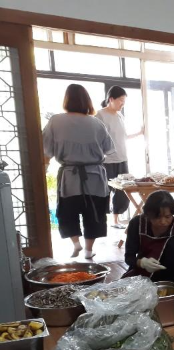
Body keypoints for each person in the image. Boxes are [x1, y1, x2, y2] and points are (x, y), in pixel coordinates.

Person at [43, 84, 114, 259]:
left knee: (68, 211)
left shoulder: (55, 121)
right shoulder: (97, 123)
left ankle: (76, 244)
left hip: (70, 176)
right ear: (87, 101)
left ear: (66, 100)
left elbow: (45, 151)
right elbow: (109, 149)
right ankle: (89, 250)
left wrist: (43, 171)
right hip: (95, 176)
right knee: (94, 212)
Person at [123, 190, 174, 294]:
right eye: (157, 217)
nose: (163, 222)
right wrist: (142, 263)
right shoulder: (137, 224)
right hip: (144, 273)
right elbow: (129, 257)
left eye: (167, 217)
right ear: (148, 214)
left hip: (173, 274)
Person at [96, 86, 144, 229]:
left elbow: (123, 137)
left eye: (124, 101)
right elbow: (97, 139)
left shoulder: (119, 116)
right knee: (105, 190)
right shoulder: (100, 115)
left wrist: (139, 133)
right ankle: (101, 221)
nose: (123, 104)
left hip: (122, 158)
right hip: (107, 160)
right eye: (121, 100)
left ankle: (116, 220)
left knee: (123, 190)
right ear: (111, 99)